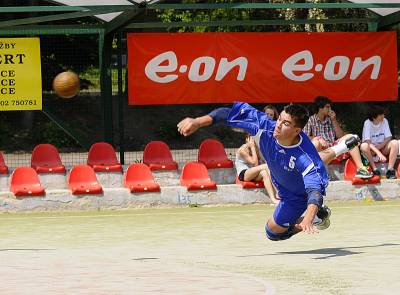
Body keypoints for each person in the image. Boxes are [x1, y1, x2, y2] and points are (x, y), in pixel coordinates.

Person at [177, 102, 360, 241]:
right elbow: (229, 113)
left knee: (272, 233)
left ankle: (320, 220)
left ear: (297, 130)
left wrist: (309, 218)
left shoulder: (305, 158)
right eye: (279, 118)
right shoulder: (265, 127)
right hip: (284, 173)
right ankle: (342, 146)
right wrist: (198, 121)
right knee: (313, 160)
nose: (278, 125)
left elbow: (315, 192)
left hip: (297, 195)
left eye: (285, 123)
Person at [304, 96, 373, 179]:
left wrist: (334, 120)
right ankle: (321, 172)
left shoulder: (331, 119)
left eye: (330, 107)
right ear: (320, 108)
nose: (330, 109)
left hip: (333, 146)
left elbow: (340, 136)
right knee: (316, 143)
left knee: (351, 138)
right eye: (327, 107)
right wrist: (318, 138)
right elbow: (305, 137)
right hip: (322, 149)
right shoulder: (311, 120)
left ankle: (361, 169)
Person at [236, 134, 280, 205]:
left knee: (264, 173)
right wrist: (252, 147)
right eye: (253, 139)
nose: (255, 141)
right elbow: (255, 163)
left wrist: (255, 148)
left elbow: (261, 161)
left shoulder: (256, 148)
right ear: (248, 139)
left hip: (253, 174)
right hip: (244, 174)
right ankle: (278, 192)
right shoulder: (242, 150)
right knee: (266, 166)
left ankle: (273, 199)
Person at [360, 105, 399, 179]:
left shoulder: (385, 121)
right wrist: (379, 153)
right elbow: (368, 142)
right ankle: (374, 168)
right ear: (374, 116)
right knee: (364, 146)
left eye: (383, 114)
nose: (383, 116)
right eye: (381, 115)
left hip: (382, 147)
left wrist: (379, 148)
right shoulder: (367, 123)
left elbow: (388, 137)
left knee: (395, 143)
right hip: (371, 150)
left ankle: (390, 170)